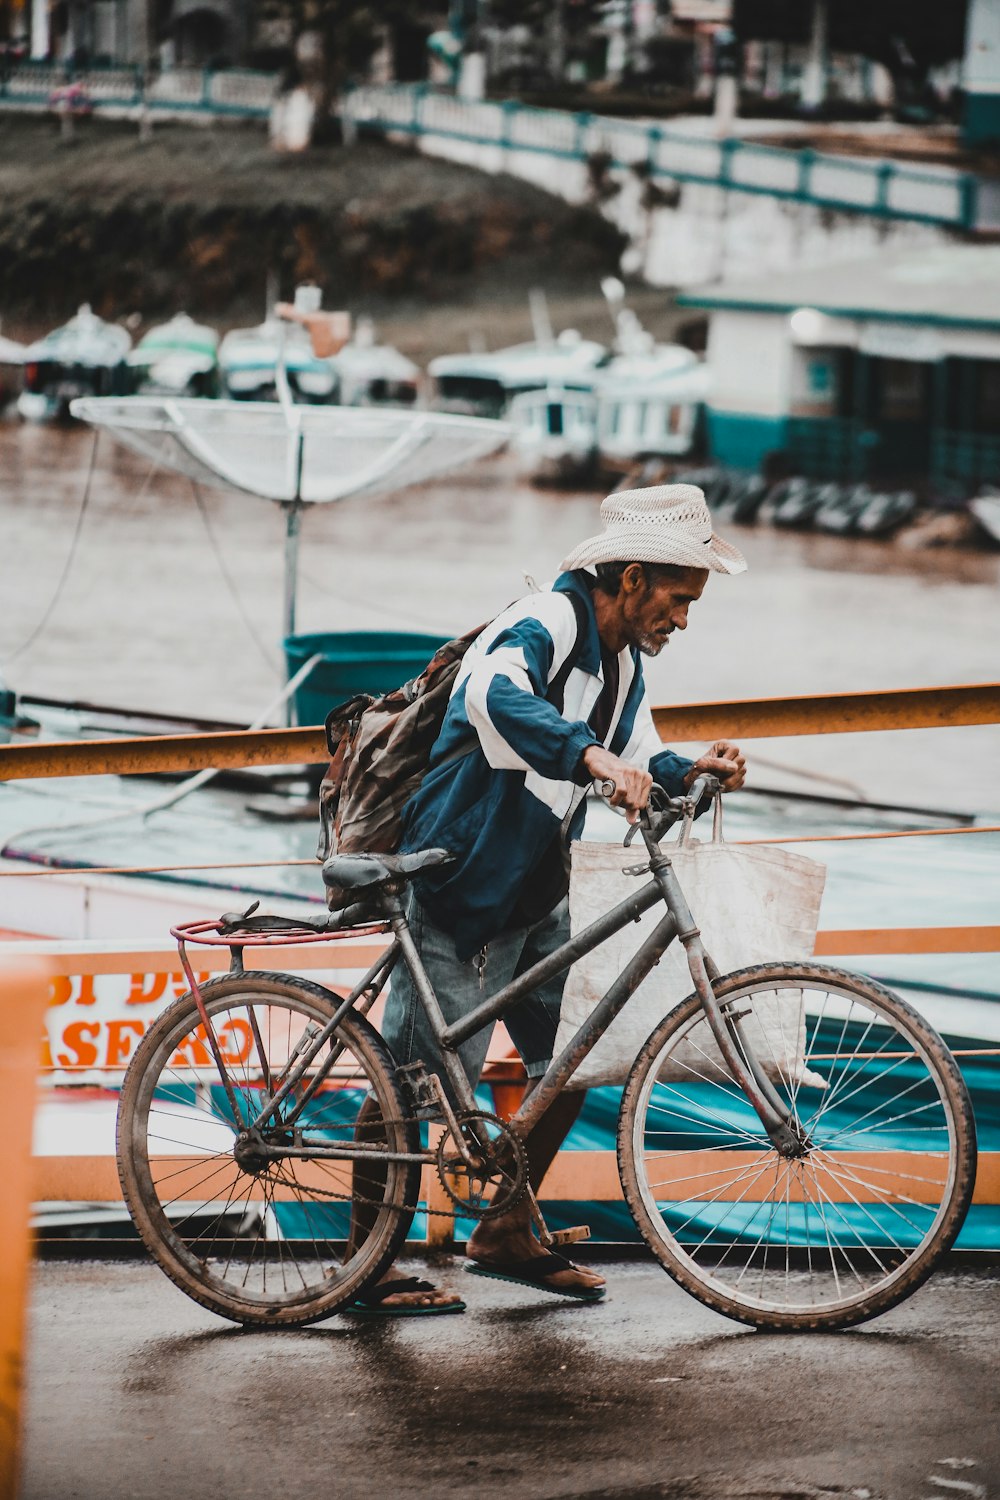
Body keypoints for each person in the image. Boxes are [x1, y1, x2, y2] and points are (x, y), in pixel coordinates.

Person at [352, 484, 748, 1314]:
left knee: (573, 1056)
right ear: (633, 579)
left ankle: (503, 1230)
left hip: (534, 889)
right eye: (680, 600)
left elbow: (636, 753)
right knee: (413, 1083)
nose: (684, 619)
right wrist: (591, 762)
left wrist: (689, 770)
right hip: (458, 878)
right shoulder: (546, 620)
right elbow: (493, 696)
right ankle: (368, 1265)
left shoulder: (621, 665)